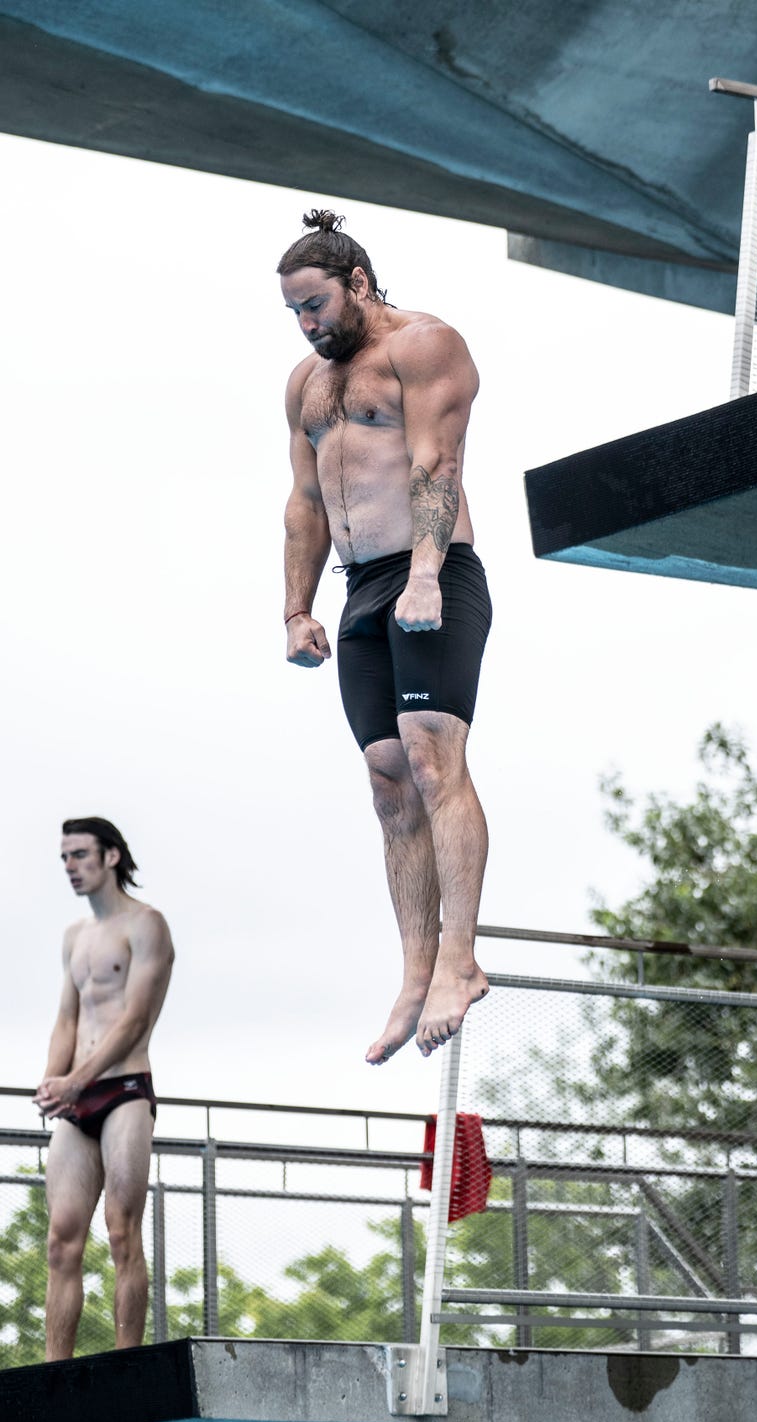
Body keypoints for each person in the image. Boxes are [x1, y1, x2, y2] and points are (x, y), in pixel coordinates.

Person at [278, 208, 492, 1065]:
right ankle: (413, 971)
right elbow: (304, 501)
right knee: (387, 778)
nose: (307, 324)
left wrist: (429, 575)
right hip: (361, 588)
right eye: (294, 311)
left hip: (433, 571)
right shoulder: (307, 383)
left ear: (358, 283)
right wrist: (297, 608)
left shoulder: (426, 345)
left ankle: (460, 959)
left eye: (316, 304)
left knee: (434, 756)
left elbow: (436, 464)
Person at [34, 818, 174, 1360]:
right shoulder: (75, 937)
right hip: (76, 1097)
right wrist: (54, 1080)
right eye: (64, 857)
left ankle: (125, 1364)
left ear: (111, 856)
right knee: (60, 1240)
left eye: (80, 855)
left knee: (121, 1230)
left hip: (125, 1092)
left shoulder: (146, 925)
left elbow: (134, 1021)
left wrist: (77, 1079)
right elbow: (66, 1018)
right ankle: (53, 1372)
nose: (70, 866)